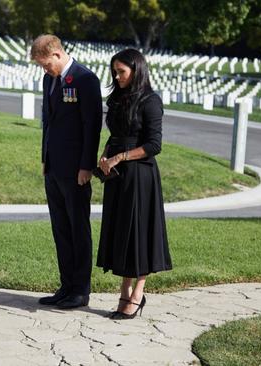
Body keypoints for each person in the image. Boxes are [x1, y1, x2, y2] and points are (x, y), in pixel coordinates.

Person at [96, 48, 172, 320]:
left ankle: (136, 293)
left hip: (140, 177)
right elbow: (115, 134)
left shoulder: (151, 101)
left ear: (137, 70)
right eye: (114, 72)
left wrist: (120, 156)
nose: (117, 77)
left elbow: (154, 145)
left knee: (138, 237)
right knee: (122, 235)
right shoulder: (118, 98)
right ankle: (124, 289)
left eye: (121, 72)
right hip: (118, 178)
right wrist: (106, 154)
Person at [31, 34, 102, 309]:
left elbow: (91, 126)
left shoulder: (85, 79)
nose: (45, 70)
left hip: (76, 169)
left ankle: (80, 290)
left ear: (58, 54)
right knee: (60, 228)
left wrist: (86, 166)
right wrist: (44, 158)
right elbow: (48, 122)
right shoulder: (49, 79)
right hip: (53, 167)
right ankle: (66, 285)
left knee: (77, 228)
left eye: (47, 64)